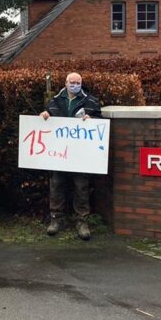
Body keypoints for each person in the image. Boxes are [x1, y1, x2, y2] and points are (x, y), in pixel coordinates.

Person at [40, 72, 102, 240]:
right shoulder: (55, 101)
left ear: (81, 83)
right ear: (65, 83)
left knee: (81, 187)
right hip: (59, 153)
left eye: (78, 82)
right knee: (56, 185)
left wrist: (93, 119)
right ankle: (55, 219)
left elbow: (100, 121)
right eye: (72, 82)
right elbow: (47, 116)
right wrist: (44, 116)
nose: (75, 84)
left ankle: (82, 222)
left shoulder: (91, 101)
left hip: (80, 154)